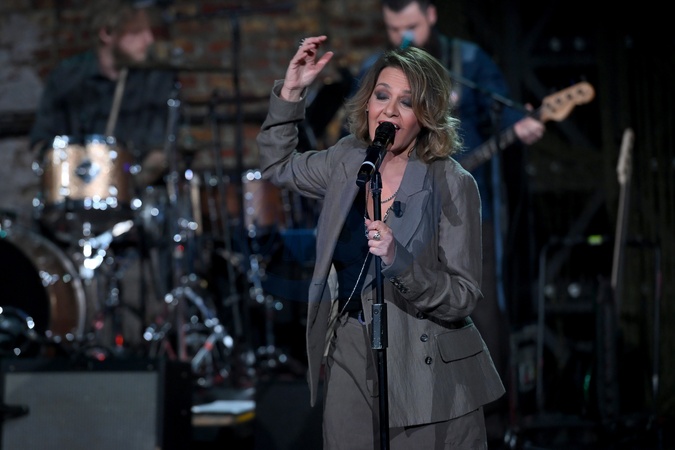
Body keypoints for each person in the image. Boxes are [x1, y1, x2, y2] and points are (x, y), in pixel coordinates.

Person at [257, 35, 504, 449]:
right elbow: (278, 166)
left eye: (406, 102)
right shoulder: (347, 160)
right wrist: (292, 92)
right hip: (350, 350)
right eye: (382, 95)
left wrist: (399, 260)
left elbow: (462, 297)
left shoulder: (453, 183)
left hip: (425, 366)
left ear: (427, 115)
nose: (389, 110)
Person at [356, 0, 547, 440]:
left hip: (460, 205)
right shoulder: (379, 69)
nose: (404, 36)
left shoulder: (468, 61)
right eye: (394, 28)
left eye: (411, 25)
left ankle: (485, 418)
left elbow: (504, 110)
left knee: (477, 303)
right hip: (400, 207)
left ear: (431, 15)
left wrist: (522, 124)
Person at [29, 0, 176, 354]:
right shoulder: (68, 78)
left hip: (134, 203)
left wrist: (126, 182)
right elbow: (42, 144)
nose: (148, 40)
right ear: (108, 34)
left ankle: (144, 343)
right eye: (137, 32)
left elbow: (161, 151)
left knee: (162, 231)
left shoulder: (155, 80)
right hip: (72, 208)